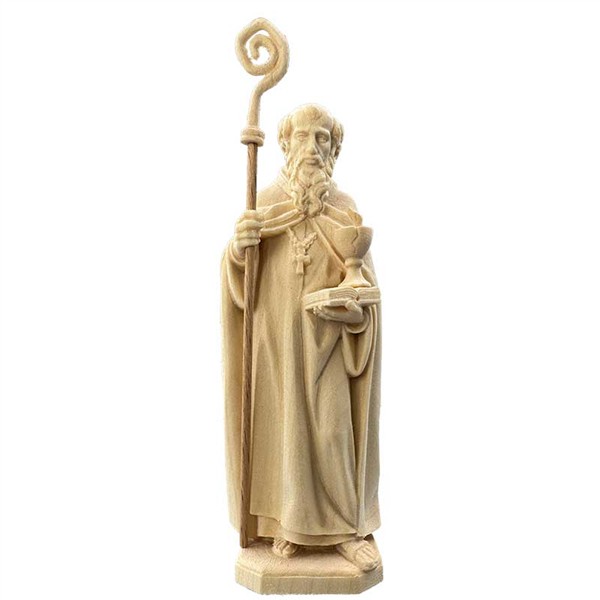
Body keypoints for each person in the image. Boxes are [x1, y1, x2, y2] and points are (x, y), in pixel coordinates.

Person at [222, 104, 382, 571]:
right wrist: (238, 250)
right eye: (303, 138)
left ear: (334, 150)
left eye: (322, 139)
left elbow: (364, 285)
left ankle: (346, 530)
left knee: (334, 433)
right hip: (276, 347)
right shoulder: (264, 205)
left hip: (326, 346)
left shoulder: (345, 209)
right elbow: (239, 286)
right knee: (281, 436)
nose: (312, 148)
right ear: (285, 145)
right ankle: (285, 526)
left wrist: (355, 314)